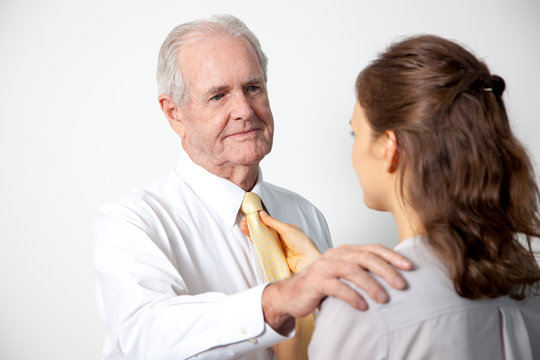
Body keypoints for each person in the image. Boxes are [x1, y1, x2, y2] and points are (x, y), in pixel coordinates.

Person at [93, 15, 413, 360]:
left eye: (253, 88)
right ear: (174, 114)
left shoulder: (305, 214)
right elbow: (144, 337)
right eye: (218, 96)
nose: (244, 110)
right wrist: (278, 301)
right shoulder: (132, 223)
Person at [260, 35, 540, 359]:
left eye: (356, 133)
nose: (352, 152)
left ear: (390, 148)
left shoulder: (366, 305)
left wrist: (293, 348)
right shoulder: (528, 284)